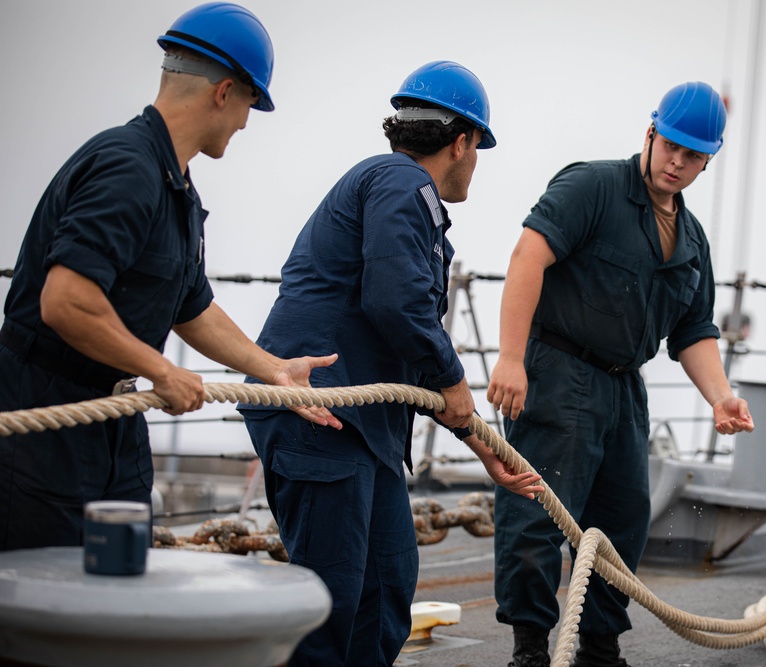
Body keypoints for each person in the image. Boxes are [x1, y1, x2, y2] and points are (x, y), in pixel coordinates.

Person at [0, 2, 341, 552]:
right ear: (224, 92)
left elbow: (192, 309)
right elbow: (65, 300)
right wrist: (161, 368)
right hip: (47, 422)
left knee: (119, 587)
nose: (247, 122)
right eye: (251, 103)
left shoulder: (177, 189)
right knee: (40, 601)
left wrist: (275, 371)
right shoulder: (127, 168)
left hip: (117, 419)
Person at [237, 61, 543, 667]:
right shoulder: (403, 184)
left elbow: (405, 332)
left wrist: (483, 446)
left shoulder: (398, 192)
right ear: (462, 142)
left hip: (362, 429)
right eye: (478, 148)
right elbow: (398, 305)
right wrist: (456, 378)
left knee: (383, 595)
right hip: (319, 414)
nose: (476, 163)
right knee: (332, 609)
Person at [486, 81, 755, 667]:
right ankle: (530, 648)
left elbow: (693, 331)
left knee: (622, 521)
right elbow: (528, 256)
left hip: (623, 389)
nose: (677, 163)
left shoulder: (692, 240)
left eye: (693, 155)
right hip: (558, 371)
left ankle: (600, 649)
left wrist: (721, 396)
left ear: (709, 160)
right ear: (651, 133)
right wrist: (509, 358)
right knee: (536, 515)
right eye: (671, 147)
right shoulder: (593, 186)